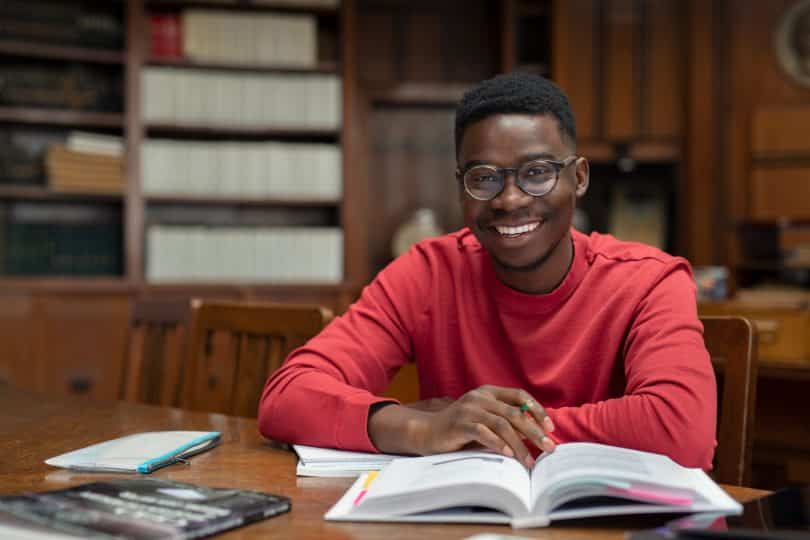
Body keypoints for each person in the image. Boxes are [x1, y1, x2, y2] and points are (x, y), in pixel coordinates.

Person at [258, 72, 716, 470]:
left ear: (578, 178)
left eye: (537, 172)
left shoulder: (649, 280)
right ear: (461, 186)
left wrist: (484, 431)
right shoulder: (428, 272)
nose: (509, 199)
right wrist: (423, 429)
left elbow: (681, 430)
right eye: (484, 178)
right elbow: (287, 397)